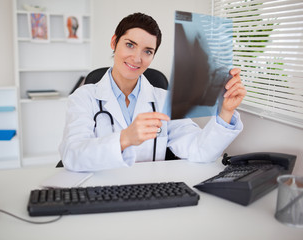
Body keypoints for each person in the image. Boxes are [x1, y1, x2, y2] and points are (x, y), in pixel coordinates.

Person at [59, 12, 246, 172]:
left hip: (150, 192)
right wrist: (124, 139)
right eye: (130, 45)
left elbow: (199, 150)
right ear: (114, 42)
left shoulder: (163, 99)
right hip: (101, 192)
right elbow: (71, 155)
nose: (137, 58)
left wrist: (226, 112)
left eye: (148, 51)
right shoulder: (84, 97)